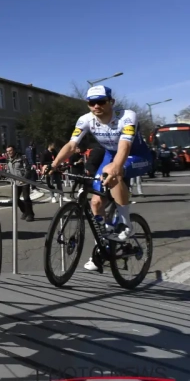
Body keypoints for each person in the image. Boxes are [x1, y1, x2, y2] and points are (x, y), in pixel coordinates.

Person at [44, 86, 152, 271]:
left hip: (138, 156)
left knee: (113, 172)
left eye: (101, 101)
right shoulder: (85, 120)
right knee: (95, 203)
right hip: (111, 155)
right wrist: (54, 165)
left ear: (111, 102)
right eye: (91, 103)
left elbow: (124, 147)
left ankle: (126, 225)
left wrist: (116, 168)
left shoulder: (127, 116)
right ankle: (103, 248)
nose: (96, 106)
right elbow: (71, 145)